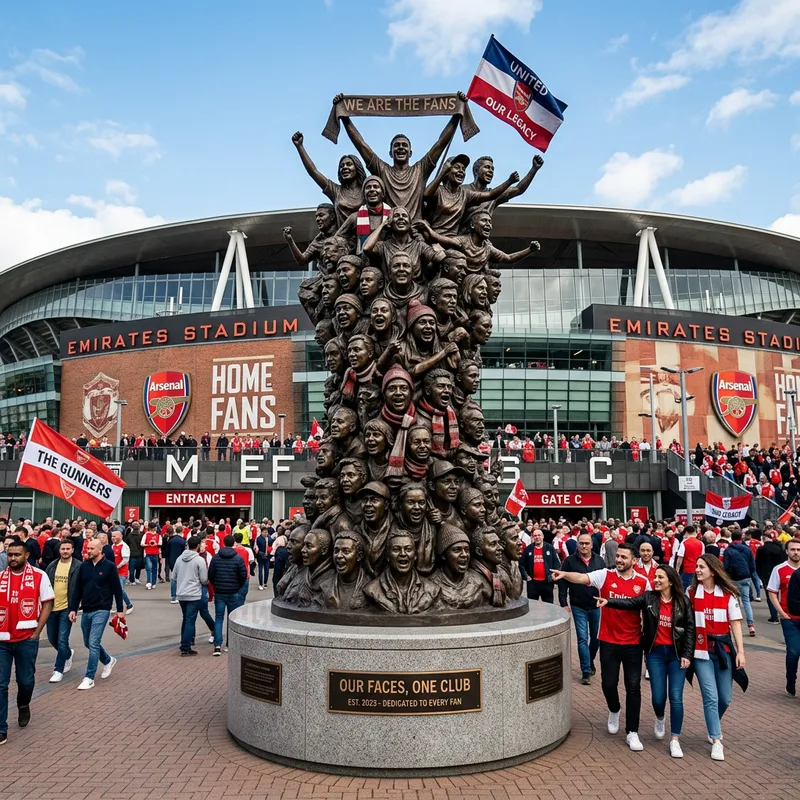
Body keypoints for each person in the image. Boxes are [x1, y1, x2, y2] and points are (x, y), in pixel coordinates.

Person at [552, 543, 650, 751]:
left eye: (624, 557)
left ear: (634, 561)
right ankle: (614, 709)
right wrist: (564, 574)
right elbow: (581, 578)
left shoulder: (643, 582)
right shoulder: (605, 575)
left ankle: (632, 731)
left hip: (633, 643)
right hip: (608, 641)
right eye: (618, 556)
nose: (620, 560)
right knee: (608, 684)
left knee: (633, 687)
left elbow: (653, 607)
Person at [598, 564, 694, 758]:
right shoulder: (649, 597)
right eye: (655, 577)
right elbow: (631, 603)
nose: (656, 580)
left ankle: (675, 739)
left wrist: (687, 654)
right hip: (655, 653)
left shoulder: (683, 601)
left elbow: (690, 628)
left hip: (676, 655)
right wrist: (608, 601)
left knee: (676, 697)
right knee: (658, 698)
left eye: (660, 577)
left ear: (670, 580)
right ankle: (660, 716)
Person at [688, 554, 747, 762]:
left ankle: (713, 724)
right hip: (701, 650)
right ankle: (716, 739)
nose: (697, 570)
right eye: (696, 566)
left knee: (725, 698)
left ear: (712, 570)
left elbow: (735, 624)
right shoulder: (692, 593)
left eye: (701, 566)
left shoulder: (729, 595)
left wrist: (740, 651)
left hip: (723, 649)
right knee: (710, 696)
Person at [0, 539, 54, 744]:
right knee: (0, 684)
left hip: (26, 638)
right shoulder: (0, 577)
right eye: (9, 554)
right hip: (2, 639)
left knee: (25, 681)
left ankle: (23, 704)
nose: (12, 558)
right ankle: (1, 728)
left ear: (26, 556)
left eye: (16, 555)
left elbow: (47, 603)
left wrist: (37, 632)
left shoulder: (39, 576)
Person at [68, 537, 125, 690]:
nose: (88, 551)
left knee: (93, 642)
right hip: (86, 609)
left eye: (92, 549)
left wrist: (120, 610)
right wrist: (73, 608)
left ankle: (89, 677)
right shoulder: (84, 566)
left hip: (102, 609)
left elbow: (117, 590)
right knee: (88, 642)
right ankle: (108, 660)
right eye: (88, 548)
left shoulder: (109, 566)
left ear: (100, 550)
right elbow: (77, 589)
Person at [557, 532, 605, 684]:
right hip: (578, 606)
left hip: (596, 606)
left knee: (596, 639)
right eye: (581, 543)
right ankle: (585, 671)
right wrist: (563, 602)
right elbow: (563, 583)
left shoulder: (599, 561)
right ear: (577, 544)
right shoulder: (569, 561)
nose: (584, 546)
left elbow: (605, 581)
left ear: (592, 544)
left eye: (587, 543)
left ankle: (589, 661)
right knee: (582, 639)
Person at [767, 538, 800, 696]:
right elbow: (772, 592)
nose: (796, 552)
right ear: (787, 551)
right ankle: (790, 680)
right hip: (789, 618)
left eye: (798, 550)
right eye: (793, 549)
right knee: (794, 651)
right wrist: (781, 613)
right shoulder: (779, 569)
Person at [44, 538, 80, 683]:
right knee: (52, 638)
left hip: (67, 608)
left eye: (68, 549)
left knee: (62, 639)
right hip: (51, 607)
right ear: (59, 550)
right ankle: (67, 654)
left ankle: (58, 670)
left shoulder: (78, 566)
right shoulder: (52, 566)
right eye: (63, 549)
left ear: (72, 550)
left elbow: (80, 588)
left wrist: (75, 608)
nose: (65, 551)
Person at [208, 535, 247, 656]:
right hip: (233, 591)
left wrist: (216, 585)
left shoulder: (215, 558)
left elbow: (211, 575)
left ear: (224, 543)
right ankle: (230, 644)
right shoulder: (238, 558)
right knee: (232, 618)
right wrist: (238, 586)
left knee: (219, 618)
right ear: (233, 543)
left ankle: (217, 645)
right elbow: (243, 575)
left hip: (219, 591)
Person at [171, 536, 209, 657]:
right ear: (198, 545)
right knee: (190, 620)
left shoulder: (179, 558)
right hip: (194, 593)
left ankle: (184, 643)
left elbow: (174, 577)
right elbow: (204, 579)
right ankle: (185, 647)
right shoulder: (199, 560)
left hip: (181, 593)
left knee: (185, 618)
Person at [723, 530, 757, 636]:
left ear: (732, 538)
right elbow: (752, 565)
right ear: (741, 538)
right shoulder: (747, 549)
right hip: (745, 577)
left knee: (733, 602)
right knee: (746, 602)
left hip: (733, 578)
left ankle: (733, 625)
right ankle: (751, 625)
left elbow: (726, 566)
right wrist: (749, 575)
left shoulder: (728, 550)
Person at [520, 528, 560, 603]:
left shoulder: (550, 548)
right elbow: (521, 564)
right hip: (533, 583)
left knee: (549, 606)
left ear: (543, 536)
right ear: (532, 537)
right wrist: (526, 576)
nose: (537, 537)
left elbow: (557, 563)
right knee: (533, 606)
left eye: (539, 535)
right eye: (535, 535)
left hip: (547, 582)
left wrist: (553, 574)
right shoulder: (528, 549)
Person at [757, 533, 787, 624]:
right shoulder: (779, 549)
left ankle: (774, 616)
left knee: (770, 595)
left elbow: (758, 563)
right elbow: (783, 561)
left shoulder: (761, 549)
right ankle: (782, 614)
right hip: (778, 573)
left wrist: (760, 575)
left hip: (766, 574)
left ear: (764, 538)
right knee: (781, 594)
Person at [675, 525, 703, 591]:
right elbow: (703, 557)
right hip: (698, 570)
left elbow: (680, 558)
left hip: (687, 570)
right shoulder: (701, 543)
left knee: (684, 589)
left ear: (686, 533)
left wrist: (677, 570)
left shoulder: (684, 543)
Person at [167, 531, 187, 604]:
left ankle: (173, 596)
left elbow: (167, 552)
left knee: (174, 578)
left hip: (172, 561)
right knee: (180, 579)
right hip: (181, 561)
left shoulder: (170, 540)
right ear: (181, 532)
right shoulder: (183, 541)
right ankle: (180, 595)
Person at [141, 523, 162, 590]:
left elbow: (160, 543)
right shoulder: (146, 535)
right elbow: (142, 543)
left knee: (155, 569)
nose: (156, 528)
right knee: (149, 569)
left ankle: (153, 583)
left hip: (155, 553)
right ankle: (149, 582)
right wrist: (148, 544)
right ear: (152, 528)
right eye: (155, 527)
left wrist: (156, 544)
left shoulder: (158, 535)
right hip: (148, 553)